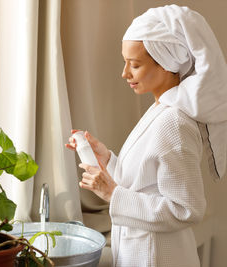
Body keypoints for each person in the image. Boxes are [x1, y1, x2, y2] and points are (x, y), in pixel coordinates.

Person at [66, 4, 227, 267]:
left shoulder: (174, 122)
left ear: (168, 63)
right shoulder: (160, 110)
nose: (124, 73)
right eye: (125, 62)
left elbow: (187, 209)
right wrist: (105, 158)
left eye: (135, 65)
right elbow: (145, 180)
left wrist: (112, 194)